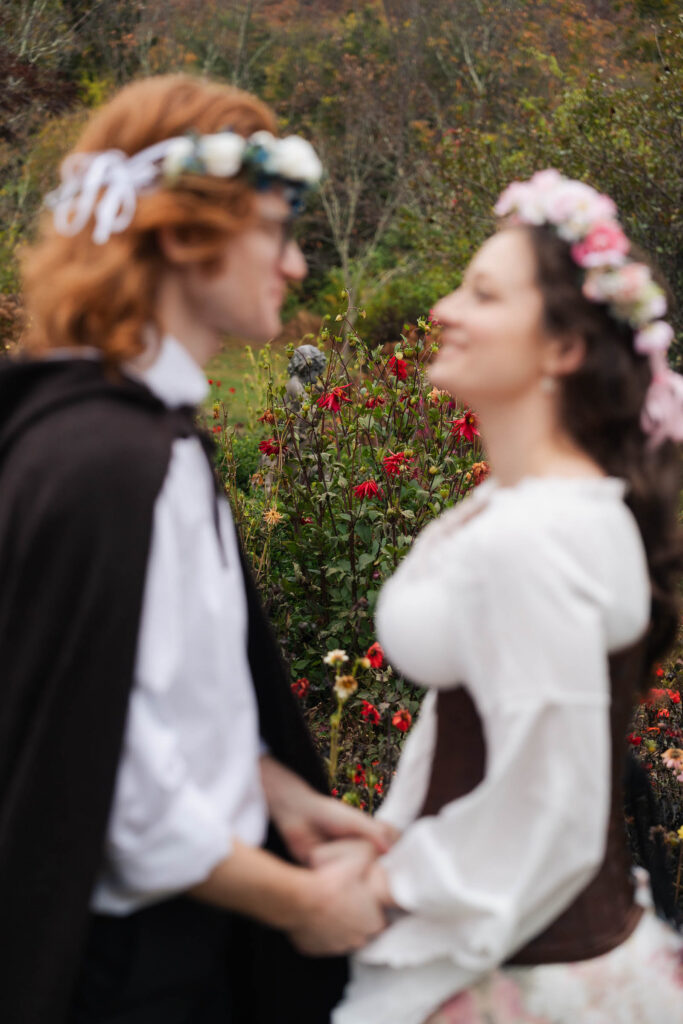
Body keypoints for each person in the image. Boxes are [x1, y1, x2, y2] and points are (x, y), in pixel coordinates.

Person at [0, 74, 393, 1024]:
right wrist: (305, 903)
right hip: (127, 973)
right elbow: (124, 798)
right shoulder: (110, 462)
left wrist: (278, 795)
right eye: (277, 231)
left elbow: (157, 689)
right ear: (182, 236)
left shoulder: (111, 436)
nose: (296, 267)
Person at [327, 170, 683, 1024]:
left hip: (530, 979)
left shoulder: (539, 535)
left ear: (561, 349)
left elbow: (550, 805)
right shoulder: (522, 508)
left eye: (480, 293)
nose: (443, 309)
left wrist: (379, 884)